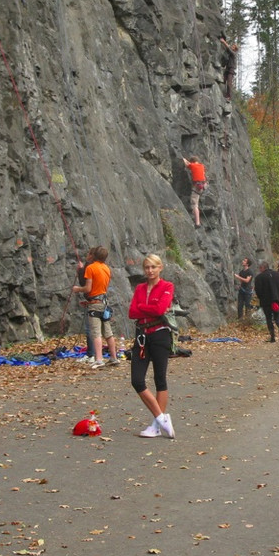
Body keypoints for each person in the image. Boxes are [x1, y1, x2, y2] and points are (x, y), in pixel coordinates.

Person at [127, 254, 176, 438]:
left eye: (153, 267)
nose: (150, 270)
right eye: (147, 267)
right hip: (142, 336)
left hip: (160, 334)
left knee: (159, 378)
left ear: (160, 268)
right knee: (136, 380)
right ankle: (162, 418)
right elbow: (132, 312)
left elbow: (159, 309)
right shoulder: (140, 288)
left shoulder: (167, 286)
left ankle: (156, 426)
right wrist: (145, 307)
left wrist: (142, 307)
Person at [72, 246, 120, 368]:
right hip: (104, 303)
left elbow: (88, 288)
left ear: (93, 256)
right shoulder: (107, 269)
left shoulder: (91, 268)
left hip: (94, 304)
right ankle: (114, 357)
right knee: (108, 332)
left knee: (96, 333)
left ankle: (99, 359)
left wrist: (77, 289)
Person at [253, 260, 279, 343]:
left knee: (268, 318)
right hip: (278, 300)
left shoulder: (259, 277)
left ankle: (272, 337)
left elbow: (258, 291)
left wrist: (261, 298)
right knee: (277, 317)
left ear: (262, 268)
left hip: (266, 301)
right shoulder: (278, 275)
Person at [182, 156, 207, 228]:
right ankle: (196, 217)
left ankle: (197, 223)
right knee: (196, 201)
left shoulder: (193, 165)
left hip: (197, 187)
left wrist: (183, 159)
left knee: (194, 204)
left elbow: (186, 164)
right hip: (202, 186)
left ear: (192, 161)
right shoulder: (201, 166)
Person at [219, 35, 238, 100]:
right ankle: (223, 94)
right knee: (223, 80)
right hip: (227, 69)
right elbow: (227, 49)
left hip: (231, 70)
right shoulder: (230, 53)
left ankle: (229, 96)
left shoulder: (234, 54)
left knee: (229, 83)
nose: (232, 47)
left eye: (233, 47)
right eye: (232, 46)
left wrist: (223, 41)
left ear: (235, 49)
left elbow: (228, 48)